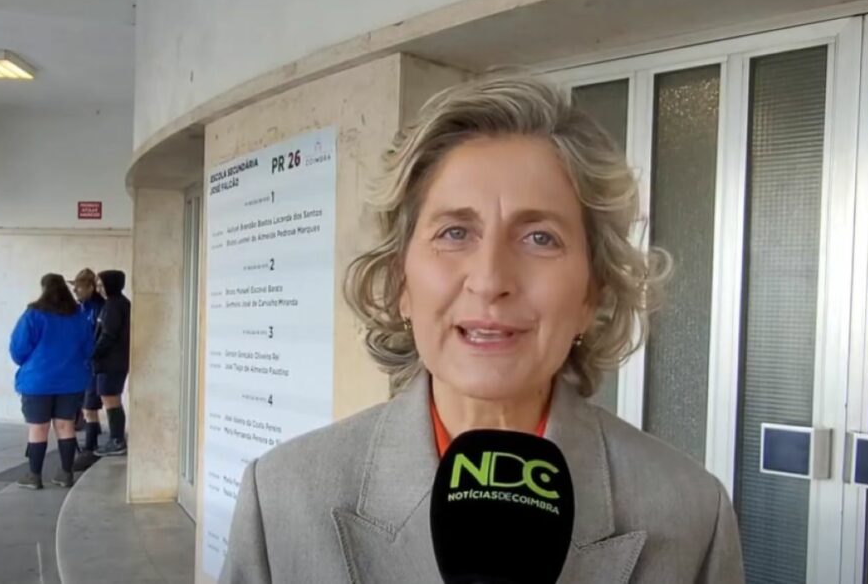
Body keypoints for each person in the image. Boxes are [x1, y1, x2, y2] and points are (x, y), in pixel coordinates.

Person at [220, 76, 744, 583]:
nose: (491, 280)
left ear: (593, 292)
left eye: (540, 238)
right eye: (455, 232)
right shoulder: (282, 498)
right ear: (401, 281)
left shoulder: (692, 514)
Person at [9, 273, 95, 489]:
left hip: (38, 381)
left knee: (38, 428)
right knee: (66, 426)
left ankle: (34, 476)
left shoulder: (33, 315)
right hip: (71, 381)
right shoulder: (79, 317)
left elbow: (19, 349)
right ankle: (66, 474)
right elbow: (88, 349)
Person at [88, 270, 131, 457]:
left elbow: (108, 335)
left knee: (111, 400)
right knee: (111, 399)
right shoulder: (117, 303)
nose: (98, 289)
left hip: (111, 361)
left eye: (101, 285)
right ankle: (116, 439)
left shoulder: (114, 305)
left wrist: (93, 353)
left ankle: (116, 440)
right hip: (113, 360)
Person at [69, 268, 105, 454]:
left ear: (91, 287)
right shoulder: (81, 307)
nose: (75, 291)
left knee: (89, 406)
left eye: (79, 287)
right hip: (83, 363)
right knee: (86, 405)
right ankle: (92, 438)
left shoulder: (99, 308)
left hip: (93, 362)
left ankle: (90, 446)